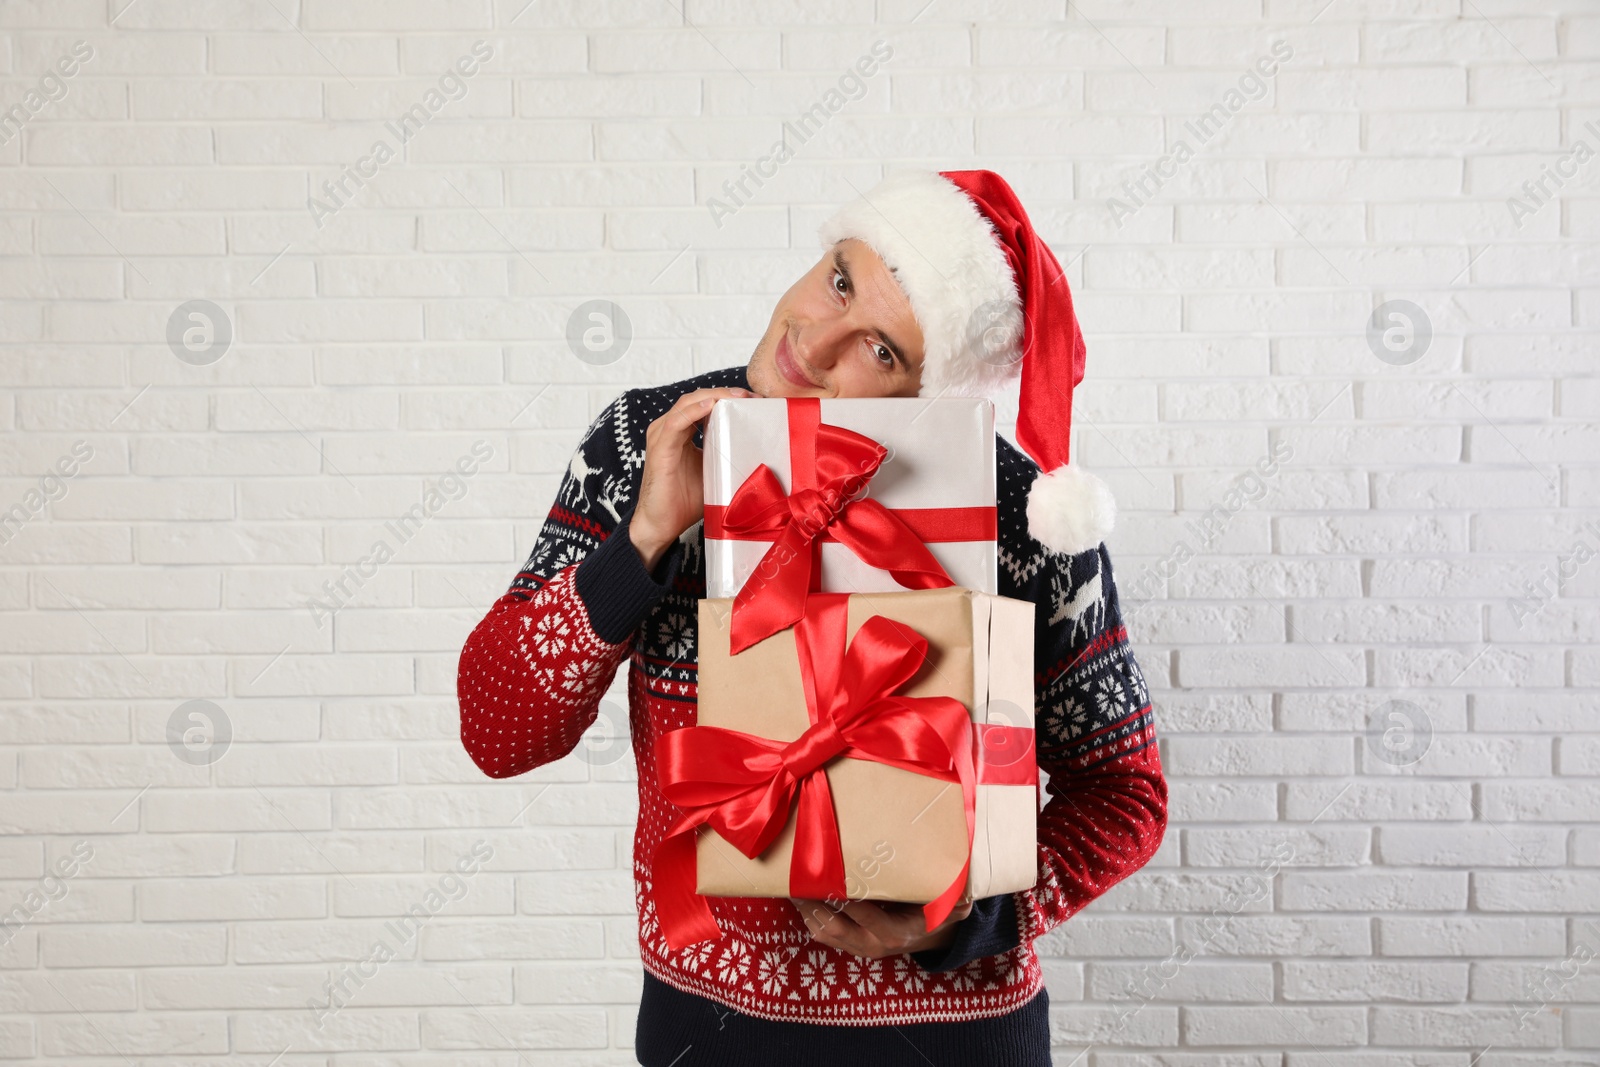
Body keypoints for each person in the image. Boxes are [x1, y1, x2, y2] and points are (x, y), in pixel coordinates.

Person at [457, 169, 1168, 1067]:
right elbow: (497, 729)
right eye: (839, 279)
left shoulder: (1021, 514)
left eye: (881, 352)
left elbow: (1126, 793)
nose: (817, 340)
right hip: (706, 1039)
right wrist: (642, 540)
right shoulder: (649, 442)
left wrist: (969, 916)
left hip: (954, 1042)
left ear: (931, 394)